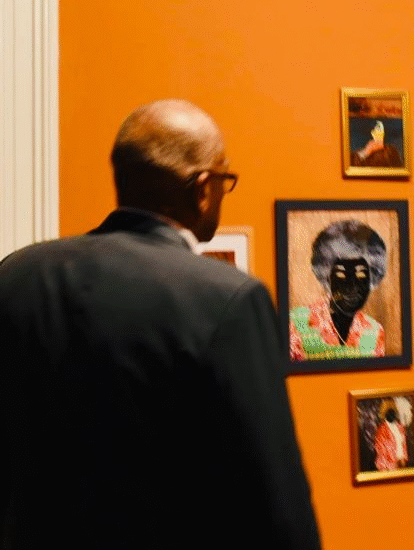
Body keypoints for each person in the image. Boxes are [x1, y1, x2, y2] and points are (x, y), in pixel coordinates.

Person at [0, 99, 321, 549]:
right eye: (225, 181)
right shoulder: (225, 298)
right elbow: (276, 504)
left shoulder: (16, 274)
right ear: (203, 188)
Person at [289, 220, 386, 360]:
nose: (352, 285)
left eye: (361, 274)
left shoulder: (374, 331)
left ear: (372, 278)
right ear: (327, 277)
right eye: (341, 274)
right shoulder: (296, 322)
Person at [374, 400, 408, 471]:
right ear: (384, 413)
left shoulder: (400, 427)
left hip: (401, 464)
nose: (392, 414)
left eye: (393, 411)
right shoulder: (382, 430)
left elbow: (404, 445)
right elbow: (380, 449)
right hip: (387, 466)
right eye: (389, 411)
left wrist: (404, 458)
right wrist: (390, 464)